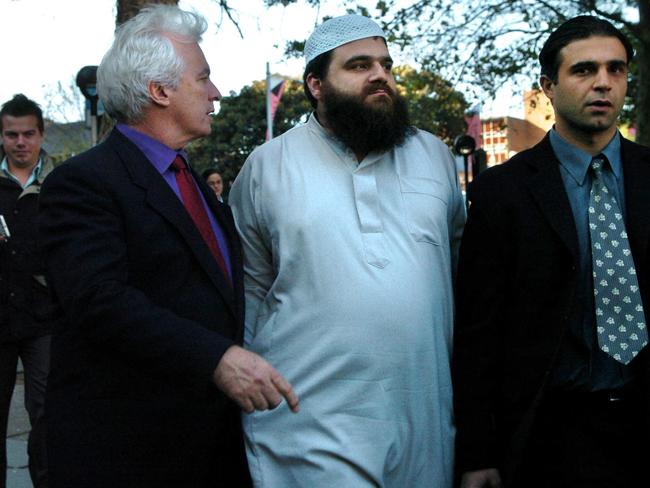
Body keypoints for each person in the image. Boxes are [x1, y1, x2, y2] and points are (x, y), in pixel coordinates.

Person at [38, 6, 297, 488]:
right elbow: (99, 301)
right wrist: (216, 359)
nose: (216, 93)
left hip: (210, 450)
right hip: (127, 454)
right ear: (159, 91)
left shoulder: (193, 183)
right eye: (203, 79)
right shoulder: (82, 184)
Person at [229, 14, 465, 487]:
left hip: (422, 419)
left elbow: (457, 269)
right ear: (316, 84)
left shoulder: (434, 157)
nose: (380, 75)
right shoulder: (266, 167)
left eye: (385, 64)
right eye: (358, 65)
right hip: (309, 420)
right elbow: (250, 290)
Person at [453, 16, 649, 488]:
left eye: (616, 70)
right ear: (548, 85)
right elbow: (479, 333)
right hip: (554, 437)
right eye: (583, 71)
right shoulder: (504, 192)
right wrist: (477, 453)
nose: (603, 83)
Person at [0, 94, 57, 488]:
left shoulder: (60, 183)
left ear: (41, 134)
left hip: (44, 318)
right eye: (11, 134)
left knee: (47, 417)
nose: (20, 142)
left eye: (28, 134)